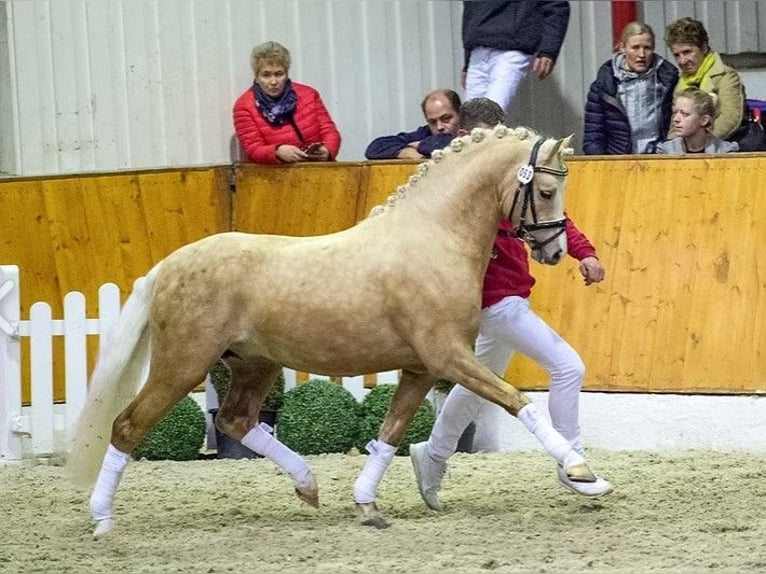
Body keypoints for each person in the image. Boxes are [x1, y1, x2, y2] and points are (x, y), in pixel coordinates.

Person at [409, 103, 613, 510]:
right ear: (465, 138)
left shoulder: (503, 180)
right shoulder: (458, 190)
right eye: (486, 137)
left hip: (512, 295)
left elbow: (550, 212)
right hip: (494, 302)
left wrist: (583, 252)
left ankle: (431, 455)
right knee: (568, 366)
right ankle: (569, 460)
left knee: (476, 389)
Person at [233, 41, 341, 165]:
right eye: (266, 75)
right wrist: (278, 152)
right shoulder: (244, 106)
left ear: (287, 73)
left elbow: (329, 131)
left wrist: (327, 151)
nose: (273, 81)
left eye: (279, 74)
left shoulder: (309, 94)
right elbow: (253, 149)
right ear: (256, 77)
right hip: (278, 176)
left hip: (320, 169)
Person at [583, 22, 678, 155]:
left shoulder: (668, 80)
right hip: (618, 162)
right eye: (635, 47)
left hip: (660, 161)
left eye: (647, 48)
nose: (642, 54)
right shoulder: (604, 85)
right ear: (622, 48)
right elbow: (593, 135)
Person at [461, 1, 570, 112]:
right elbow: (471, 14)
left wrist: (548, 51)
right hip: (477, 51)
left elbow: (556, 5)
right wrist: (467, 62)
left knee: (490, 115)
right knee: (471, 118)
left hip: (511, 49)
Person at [664, 17, 746, 143]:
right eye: (677, 55)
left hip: (724, 149)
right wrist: (673, 147)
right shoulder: (680, 83)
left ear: (703, 47)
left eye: (687, 52)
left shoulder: (726, 76)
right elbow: (675, 124)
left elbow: (730, 119)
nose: (682, 61)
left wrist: (700, 145)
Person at [365, 90, 461, 160]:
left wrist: (420, 145)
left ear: (460, 114)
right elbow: (375, 148)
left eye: (446, 119)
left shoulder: (472, 131)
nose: (439, 127)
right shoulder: (425, 133)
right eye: (432, 122)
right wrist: (407, 152)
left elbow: (448, 144)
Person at [656, 88, 738, 154]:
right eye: (675, 112)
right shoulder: (666, 152)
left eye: (684, 114)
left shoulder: (725, 152)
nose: (676, 119)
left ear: (704, 120)